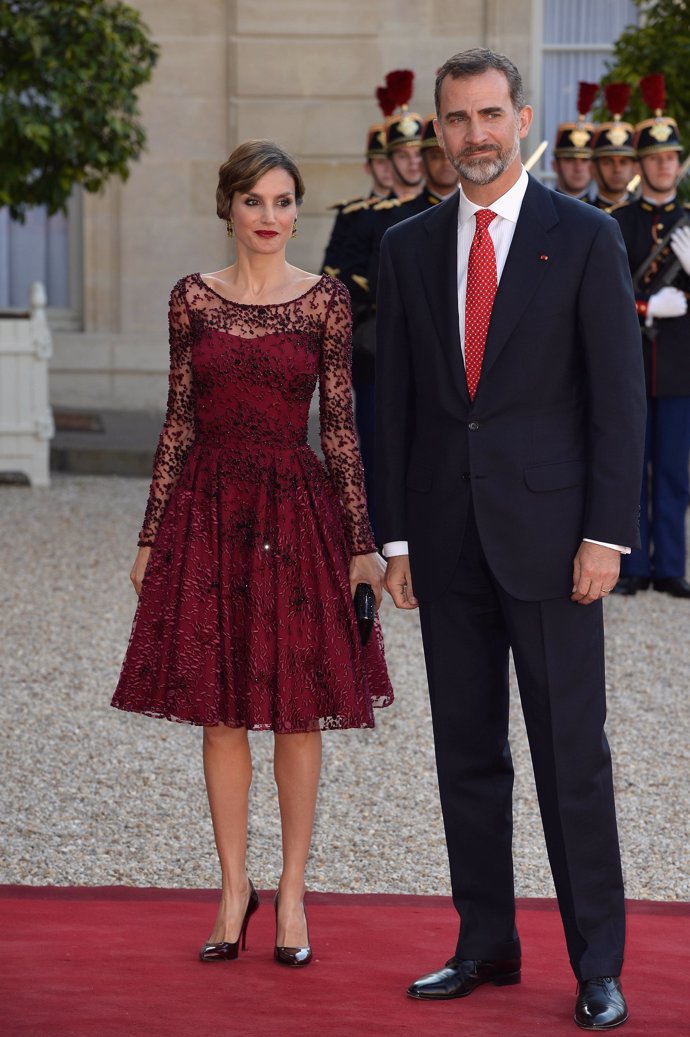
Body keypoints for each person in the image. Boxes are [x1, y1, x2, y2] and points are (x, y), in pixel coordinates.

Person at [376, 49, 646, 1029]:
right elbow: (395, 404)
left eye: (491, 115)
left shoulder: (580, 239)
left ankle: (598, 964)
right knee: (467, 755)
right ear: (438, 131)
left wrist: (606, 535)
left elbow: (619, 404)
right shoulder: (406, 249)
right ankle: (484, 940)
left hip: (553, 544)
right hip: (446, 544)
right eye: (457, 119)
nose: (475, 135)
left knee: (571, 755)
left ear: (521, 120)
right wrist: (394, 540)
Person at [112, 139, 393, 968]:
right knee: (222, 705)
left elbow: (340, 428)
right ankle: (235, 890)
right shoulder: (190, 299)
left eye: (284, 201)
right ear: (228, 208)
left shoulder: (327, 301)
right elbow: (177, 421)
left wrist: (360, 545)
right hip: (208, 509)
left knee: (299, 711)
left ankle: (294, 892)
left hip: (296, 509)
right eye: (256, 201)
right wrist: (150, 531)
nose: (272, 217)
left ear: (297, 209)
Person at [610, 73, 690, 598]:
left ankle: (671, 567)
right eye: (654, 158)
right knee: (628, 470)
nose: (664, 165)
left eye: (672, 157)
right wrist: (645, 304)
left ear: (680, 164)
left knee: (674, 472)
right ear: (640, 165)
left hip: (681, 365)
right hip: (630, 365)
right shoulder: (617, 223)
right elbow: (605, 299)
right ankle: (634, 565)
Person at [321, 122, 393, 279]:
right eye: (381, 162)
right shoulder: (352, 213)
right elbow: (330, 268)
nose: (388, 168)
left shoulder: (417, 208)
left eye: (392, 161)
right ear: (368, 167)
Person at [589, 83, 637, 212]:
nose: (617, 169)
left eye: (624, 162)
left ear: (635, 168)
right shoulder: (579, 216)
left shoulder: (648, 219)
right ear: (592, 169)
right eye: (607, 162)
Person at [551, 83, 596, 199]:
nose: (578, 168)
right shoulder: (538, 210)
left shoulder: (605, 214)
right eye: (569, 160)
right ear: (555, 165)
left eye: (585, 160)